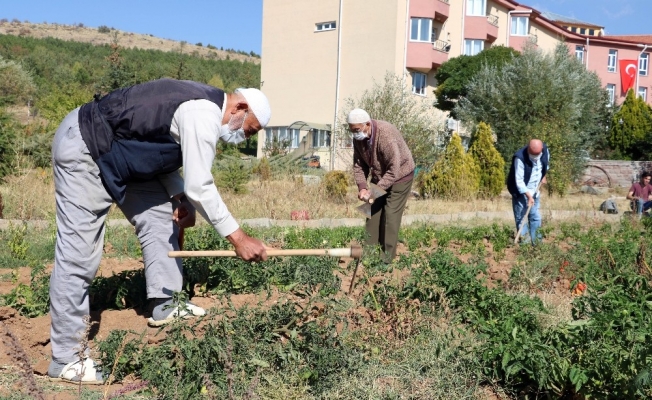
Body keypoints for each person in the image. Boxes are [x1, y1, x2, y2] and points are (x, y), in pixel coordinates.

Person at [47, 78, 271, 384]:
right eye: (249, 129)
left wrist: (180, 197)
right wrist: (239, 238)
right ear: (239, 108)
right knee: (79, 254)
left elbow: (155, 145)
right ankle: (66, 358)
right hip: (86, 147)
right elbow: (201, 185)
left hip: (119, 155)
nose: (244, 137)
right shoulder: (202, 112)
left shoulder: (200, 107)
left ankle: (166, 302)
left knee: (159, 217)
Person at [348, 108, 415, 263]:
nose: (355, 134)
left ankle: (386, 260)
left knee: (390, 216)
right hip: (380, 176)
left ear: (367, 124)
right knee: (371, 212)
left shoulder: (386, 135)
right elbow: (358, 164)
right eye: (352, 130)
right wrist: (362, 187)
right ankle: (369, 255)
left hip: (401, 176)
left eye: (357, 130)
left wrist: (375, 192)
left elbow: (393, 170)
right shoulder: (359, 138)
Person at [506, 139, 549, 244]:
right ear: (528, 149)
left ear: (541, 149)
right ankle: (525, 244)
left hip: (535, 190)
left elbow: (546, 164)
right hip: (520, 192)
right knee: (521, 218)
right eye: (532, 154)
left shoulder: (545, 151)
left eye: (537, 154)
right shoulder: (519, 158)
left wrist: (543, 174)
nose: (535, 157)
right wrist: (529, 196)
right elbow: (519, 181)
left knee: (535, 217)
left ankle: (537, 243)